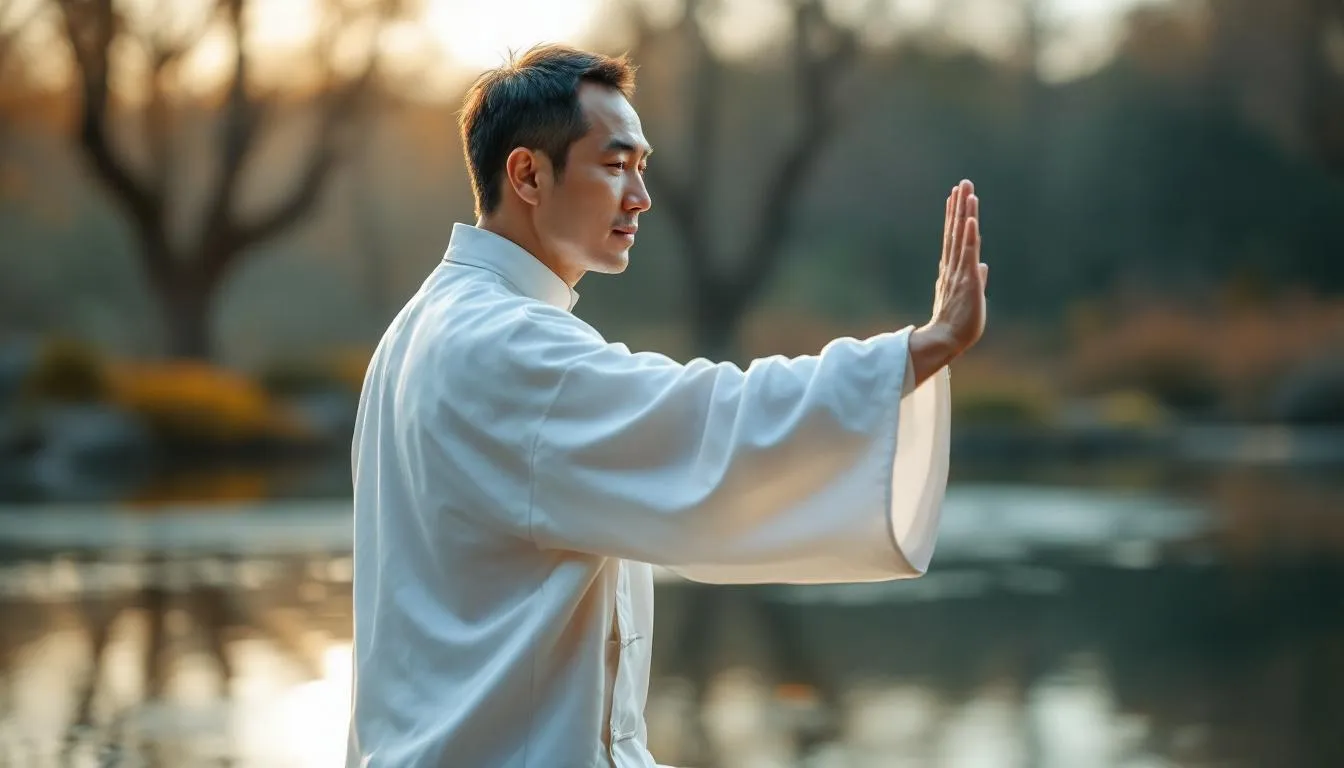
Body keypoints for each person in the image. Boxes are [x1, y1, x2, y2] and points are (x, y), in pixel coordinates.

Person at [346, 43, 987, 768]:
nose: (640, 198)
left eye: (641, 169)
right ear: (527, 173)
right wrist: (917, 351)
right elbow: (708, 422)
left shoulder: (420, 329)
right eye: (616, 165)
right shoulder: (505, 343)